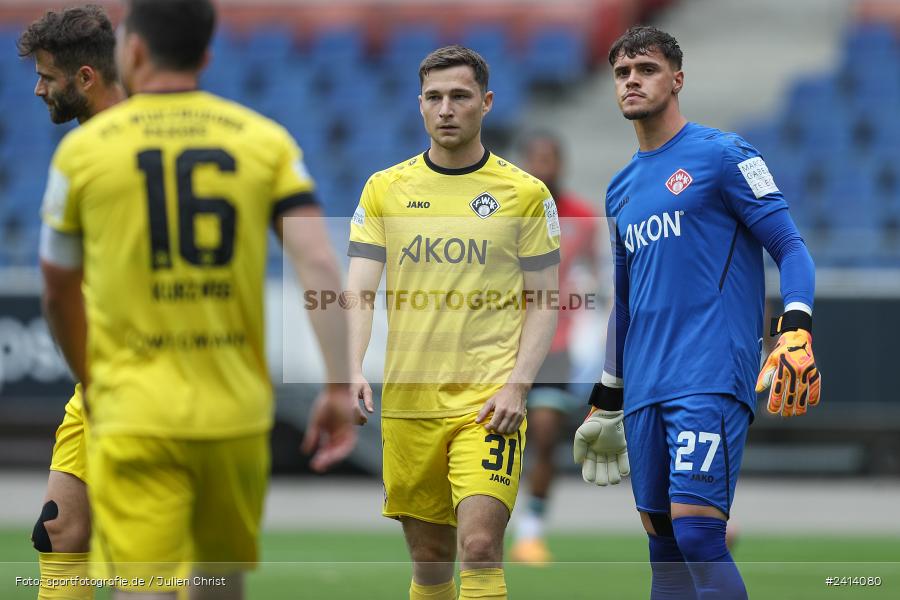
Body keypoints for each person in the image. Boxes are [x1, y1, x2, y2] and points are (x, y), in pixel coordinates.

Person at [37, 1, 357, 598]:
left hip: (133, 406)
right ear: (207, 56)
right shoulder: (262, 139)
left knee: (147, 584)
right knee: (215, 584)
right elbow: (317, 263)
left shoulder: (83, 155)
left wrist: (93, 379)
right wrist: (338, 387)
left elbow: (57, 289)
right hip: (233, 411)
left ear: (132, 52)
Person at [573, 26, 820, 599]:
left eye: (647, 69)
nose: (632, 80)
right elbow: (626, 298)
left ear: (677, 79)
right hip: (645, 387)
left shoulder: (724, 154)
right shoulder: (620, 189)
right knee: (663, 546)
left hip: (709, 372)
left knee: (700, 534)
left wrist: (797, 325)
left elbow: (791, 248)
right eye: (621, 73)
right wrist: (609, 394)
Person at [347, 46, 560, 600]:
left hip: (488, 403)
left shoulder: (525, 194)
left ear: (485, 103)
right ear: (419, 105)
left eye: (460, 96)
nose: (447, 109)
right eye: (435, 97)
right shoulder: (384, 189)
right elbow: (357, 290)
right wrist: (348, 368)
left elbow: (545, 298)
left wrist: (518, 384)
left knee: (482, 548)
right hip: (410, 403)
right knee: (431, 563)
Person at [17, 6, 124, 599]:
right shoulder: (86, 150)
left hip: (151, 379)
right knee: (58, 531)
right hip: (98, 380)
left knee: (151, 558)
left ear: (85, 78)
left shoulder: (141, 146)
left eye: (46, 76)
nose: (37, 89)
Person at [510, 131, 600, 565]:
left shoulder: (581, 217)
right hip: (501, 343)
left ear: (561, 164)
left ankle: (531, 532)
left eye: (550, 159)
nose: (543, 167)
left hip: (554, 345)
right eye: (536, 159)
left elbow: (596, 274)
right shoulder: (505, 213)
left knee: (544, 435)